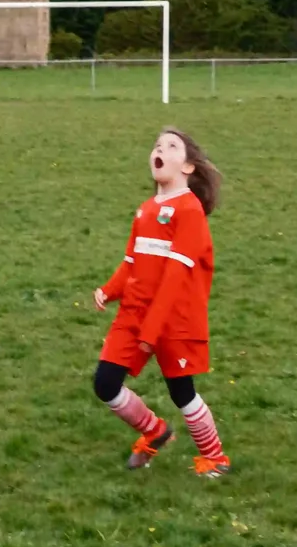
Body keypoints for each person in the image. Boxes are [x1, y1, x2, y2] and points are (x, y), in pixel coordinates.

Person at [92, 126, 228, 476]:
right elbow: (132, 262)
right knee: (105, 383)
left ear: (188, 167)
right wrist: (109, 290)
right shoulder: (146, 210)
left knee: (181, 392)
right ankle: (155, 431)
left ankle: (215, 458)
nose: (160, 150)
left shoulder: (189, 210)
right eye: (157, 145)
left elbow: (175, 276)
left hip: (174, 319)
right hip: (134, 313)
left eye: (171, 146)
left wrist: (153, 329)